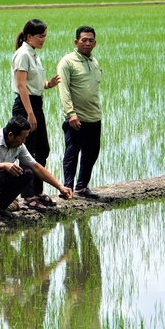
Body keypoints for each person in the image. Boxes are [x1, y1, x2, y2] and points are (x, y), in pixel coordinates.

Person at [11, 19, 70, 209]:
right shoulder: (22, 54)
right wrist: (29, 113)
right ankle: (28, 196)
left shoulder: (33, 54)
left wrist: (48, 84)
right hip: (25, 106)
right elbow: (21, 86)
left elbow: (34, 82)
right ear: (29, 36)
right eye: (41, 36)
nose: (44, 39)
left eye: (45, 36)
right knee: (27, 151)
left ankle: (37, 191)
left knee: (42, 149)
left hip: (36, 103)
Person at [0, 116, 73, 216]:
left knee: (27, 174)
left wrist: (60, 187)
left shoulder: (19, 146)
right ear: (11, 135)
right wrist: (3, 165)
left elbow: (36, 167)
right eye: (22, 138)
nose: (24, 141)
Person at [57, 26, 103, 199]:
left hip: (94, 116)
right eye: (84, 40)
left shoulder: (94, 61)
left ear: (95, 43)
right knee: (72, 152)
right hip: (76, 117)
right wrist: (71, 114)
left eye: (91, 40)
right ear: (76, 42)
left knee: (92, 152)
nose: (87, 43)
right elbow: (64, 90)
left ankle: (82, 187)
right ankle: (67, 188)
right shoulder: (67, 62)